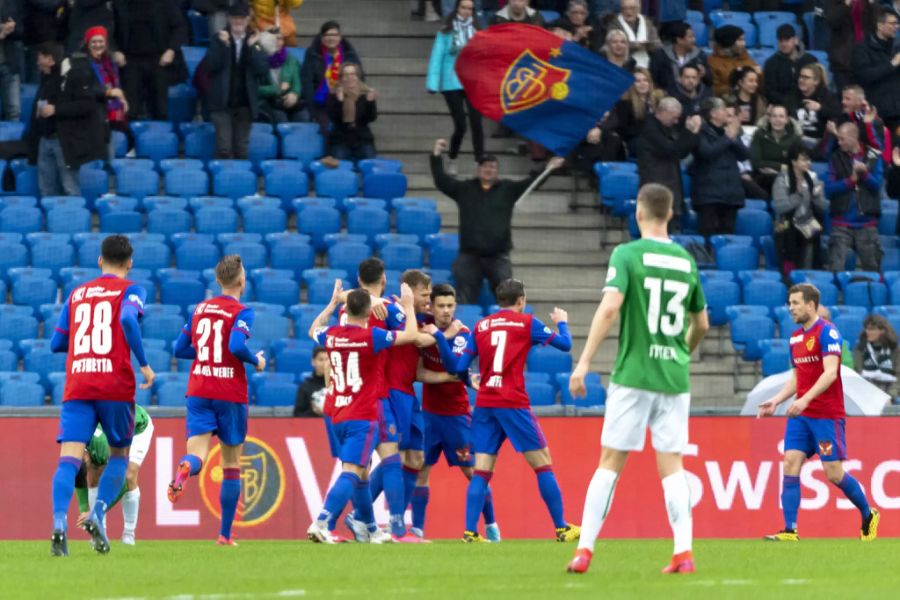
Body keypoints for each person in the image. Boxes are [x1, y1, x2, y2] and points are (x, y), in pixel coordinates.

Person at [566, 183, 708, 575]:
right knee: (673, 465)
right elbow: (702, 323)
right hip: (673, 377)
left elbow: (611, 306)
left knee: (610, 461)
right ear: (671, 213)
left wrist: (584, 362)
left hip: (633, 374)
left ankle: (584, 551)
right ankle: (683, 552)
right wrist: (682, 351)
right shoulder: (685, 260)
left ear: (639, 214)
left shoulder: (627, 253)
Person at [434, 278, 579, 543]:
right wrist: (562, 321)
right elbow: (565, 345)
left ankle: (469, 532)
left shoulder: (480, 326)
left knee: (482, 469)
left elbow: (457, 367)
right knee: (542, 463)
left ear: (499, 301)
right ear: (521, 301)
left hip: (486, 403)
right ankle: (561, 527)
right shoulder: (527, 322)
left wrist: (438, 339)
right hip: (512, 402)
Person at [48, 234, 154, 557]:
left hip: (78, 383)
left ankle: (57, 523)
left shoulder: (77, 294)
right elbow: (126, 319)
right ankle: (98, 513)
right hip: (115, 386)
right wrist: (145, 365)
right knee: (120, 456)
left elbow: (56, 343)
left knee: (69, 459)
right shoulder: (133, 289)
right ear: (130, 263)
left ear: (99, 261)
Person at [757, 284, 880, 542]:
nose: (790, 308)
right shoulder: (794, 338)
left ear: (811, 305)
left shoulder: (828, 332)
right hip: (801, 417)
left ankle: (868, 514)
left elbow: (830, 372)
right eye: (789, 303)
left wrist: (805, 399)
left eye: (795, 303)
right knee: (790, 462)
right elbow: (796, 377)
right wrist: (777, 400)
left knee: (833, 473)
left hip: (826, 415)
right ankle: (790, 530)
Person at [306, 282, 425, 544]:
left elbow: (312, 329)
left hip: (337, 412)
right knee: (352, 470)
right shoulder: (372, 337)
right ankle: (323, 520)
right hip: (362, 413)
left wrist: (331, 304)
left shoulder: (332, 334)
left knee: (361, 475)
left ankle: (370, 528)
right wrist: (407, 306)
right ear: (370, 313)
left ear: (346, 310)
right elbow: (411, 335)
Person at [169, 255, 267, 546]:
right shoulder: (243, 311)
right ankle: (224, 535)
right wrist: (255, 361)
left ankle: (185, 468)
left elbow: (178, 348)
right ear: (241, 280)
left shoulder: (200, 309)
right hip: (229, 392)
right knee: (231, 464)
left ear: (218, 280)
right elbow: (237, 345)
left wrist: (204, 355)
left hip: (199, 388)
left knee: (197, 454)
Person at [336, 259, 434, 543]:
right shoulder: (389, 307)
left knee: (414, 457)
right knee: (393, 456)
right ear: (404, 290)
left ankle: (395, 524)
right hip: (390, 390)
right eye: (424, 295)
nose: (428, 300)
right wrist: (444, 335)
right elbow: (415, 338)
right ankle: (392, 525)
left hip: (407, 391)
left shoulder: (381, 305)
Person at [412, 283, 500, 542]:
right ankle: (417, 529)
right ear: (432, 306)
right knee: (422, 470)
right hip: (429, 413)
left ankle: (492, 525)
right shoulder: (422, 329)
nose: (446, 311)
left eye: (450, 306)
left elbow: (456, 370)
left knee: (473, 471)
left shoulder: (462, 334)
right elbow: (420, 373)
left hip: (457, 415)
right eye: (441, 306)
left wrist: (451, 374)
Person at [430, 138, 565, 305]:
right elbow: (441, 181)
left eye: (492, 167)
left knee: (507, 298)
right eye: (485, 166)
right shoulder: (464, 189)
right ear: (478, 169)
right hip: (469, 256)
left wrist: (548, 168)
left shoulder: (508, 189)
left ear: (497, 171)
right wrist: (436, 155)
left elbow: (532, 183)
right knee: (464, 299)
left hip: (498, 257)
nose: (488, 170)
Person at [74, 404, 154, 546]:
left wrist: (95, 511)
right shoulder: (73, 440)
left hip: (137, 429)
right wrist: (84, 510)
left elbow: (120, 481)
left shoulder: (100, 445)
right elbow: (79, 476)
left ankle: (129, 534)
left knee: (129, 476)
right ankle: (99, 532)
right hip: (110, 426)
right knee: (93, 479)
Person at [426, 0, 485, 173]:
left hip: (473, 81)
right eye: (463, 7)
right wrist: (432, 83)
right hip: (451, 81)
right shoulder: (445, 31)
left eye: (470, 9)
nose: (466, 11)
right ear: (457, 8)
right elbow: (437, 57)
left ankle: (479, 162)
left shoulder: (478, 32)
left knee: (477, 123)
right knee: (461, 125)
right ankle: (453, 157)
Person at [206, 2, 269, 159]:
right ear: (229, 19)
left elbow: (262, 70)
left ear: (248, 20)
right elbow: (211, 66)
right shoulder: (218, 39)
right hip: (221, 102)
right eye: (235, 18)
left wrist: (253, 47)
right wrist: (225, 45)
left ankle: (239, 182)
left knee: (242, 149)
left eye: (242, 18)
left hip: (245, 103)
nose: (238, 22)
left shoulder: (254, 40)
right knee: (224, 149)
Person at [825, 122, 883, 272]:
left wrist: (865, 175)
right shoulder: (835, 158)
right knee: (835, 270)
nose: (839, 142)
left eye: (842, 139)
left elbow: (877, 186)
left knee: (873, 270)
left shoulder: (873, 156)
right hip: (841, 223)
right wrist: (850, 181)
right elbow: (829, 189)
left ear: (853, 138)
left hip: (867, 224)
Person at [117, 0, 189, 121]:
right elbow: (111, 29)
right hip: (130, 60)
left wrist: (171, 49)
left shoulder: (165, 3)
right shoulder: (119, 4)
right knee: (130, 109)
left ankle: (159, 135)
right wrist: (115, 50)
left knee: (160, 108)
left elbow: (180, 27)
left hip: (159, 59)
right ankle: (129, 135)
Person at [636, 97, 700, 228]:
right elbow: (669, 149)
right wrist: (688, 133)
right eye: (674, 117)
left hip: (672, 186)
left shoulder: (670, 128)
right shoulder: (650, 128)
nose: (676, 121)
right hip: (655, 187)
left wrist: (692, 134)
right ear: (663, 112)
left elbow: (680, 153)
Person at [692, 97, 748, 238]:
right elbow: (707, 152)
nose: (726, 113)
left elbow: (744, 155)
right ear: (713, 113)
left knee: (728, 236)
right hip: (708, 195)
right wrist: (727, 139)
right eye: (723, 109)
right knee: (707, 236)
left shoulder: (729, 131)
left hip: (731, 194)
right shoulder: (701, 132)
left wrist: (734, 138)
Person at [30, 42, 79, 196]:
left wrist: (56, 109)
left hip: (63, 140)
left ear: (50, 59)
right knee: (46, 189)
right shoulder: (45, 78)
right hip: (44, 139)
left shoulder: (70, 78)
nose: (37, 61)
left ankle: (74, 219)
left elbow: (83, 106)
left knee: (70, 187)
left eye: (40, 57)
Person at [772, 144, 828, 274]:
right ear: (793, 162)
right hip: (785, 224)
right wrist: (798, 195)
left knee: (813, 235)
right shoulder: (782, 179)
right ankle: (789, 277)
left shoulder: (812, 178)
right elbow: (780, 208)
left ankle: (807, 274)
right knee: (788, 233)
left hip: (806, 222)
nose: (808, 162)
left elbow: (824, 207)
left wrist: (817, 196)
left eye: (809, 159)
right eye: (803, 159)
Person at [301, 21, 362, 136]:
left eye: (334, 35)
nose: (331, 38)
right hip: (320, 103)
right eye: (327, 35)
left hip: (345, 100)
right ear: (322, 38)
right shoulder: (313, 53)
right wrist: (312, 107)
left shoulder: (349, 54)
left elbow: (359, 78)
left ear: (340, 37)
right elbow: (307, 81)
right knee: (326, 126)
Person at [83, 26, 131, 160]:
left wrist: (122, 100)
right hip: (93, 113)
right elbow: (86, 88)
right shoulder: (83, 62)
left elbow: (117, 86)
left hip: (110, 114)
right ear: (87, 43)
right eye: (94, 42)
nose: (98, 45)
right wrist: (110, 92)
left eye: (101, 41)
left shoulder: (110, 62)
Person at [852, 9, 900, 132]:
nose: (896, 27)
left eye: (897, 24)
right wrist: (892, 64)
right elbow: (864, 76)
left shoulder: (897, 46)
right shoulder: (863, 49)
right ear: (879, 25)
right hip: (877, 111)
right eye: (892, 23)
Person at [326, 63, 377, 161]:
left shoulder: (366, 93)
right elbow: (333, 118)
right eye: (346, 75)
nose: (350, 77)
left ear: (358, 76)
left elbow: (371, 118)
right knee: (340, 166)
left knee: (370, 163)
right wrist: (339, 102)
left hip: (362, 139)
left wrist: (370, 103)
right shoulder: (334, 93)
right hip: (341, 139)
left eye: (353, 74)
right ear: (341, 77)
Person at [789, 63, 839, 158]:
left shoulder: (827, 97)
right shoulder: (792, 96)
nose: (801, 80)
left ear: (816, 81)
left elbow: (838, 114)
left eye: (806, 77)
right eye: (800, 76)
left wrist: (820, 108)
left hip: (818, 142)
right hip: (795, 141)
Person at [749, 105, 802, 194]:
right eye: (774, 116)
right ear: (769, 119)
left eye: (781, 116)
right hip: (761, 178)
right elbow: (755, 162)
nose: (777, 120)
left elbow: (797, 166)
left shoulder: (795, 139)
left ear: (787, 120)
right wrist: (781, 167)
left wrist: (775, 170)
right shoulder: (759, 135)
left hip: (786, 180)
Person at [824, 0, 876, 91]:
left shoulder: (867, 3)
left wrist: (873, 4)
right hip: (843, 62)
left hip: (865, 59)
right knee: (845, 98)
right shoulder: (836, 2)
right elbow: (831, 21)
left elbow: (879, 24)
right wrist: (846, 4)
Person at [762, 24, 817, 109]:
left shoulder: (810, 60)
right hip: (781, 106)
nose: (783, 44)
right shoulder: (771, 63)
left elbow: (818, 84)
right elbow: (769, 91)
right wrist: (789, 103)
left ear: (796, 40)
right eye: (780, 41)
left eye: (787, 40)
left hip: (808, 104)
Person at [258, 30, 308, 124]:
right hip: (272, 102)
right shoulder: (259, 61)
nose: (278, 42)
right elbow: (255, 88)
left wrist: (295, 94)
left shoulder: (291, 59)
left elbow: (297, 81)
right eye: (274, 39)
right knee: (281, 121)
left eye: (280, 39)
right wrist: (276, 89)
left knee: (303, 119)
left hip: (292, 101)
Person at [648, 21, 711, 95]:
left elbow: (710, 82)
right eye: (690, 37)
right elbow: (653, 79)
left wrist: (704, 74)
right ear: (679, 40)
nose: (694, 40)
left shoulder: (699, 56)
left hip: (695, 96)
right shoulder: (660, 56)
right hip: (667, 96)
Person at [614, 67, 663, 155]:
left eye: (645, 80)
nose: (642, 84)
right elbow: (622, 129)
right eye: (638, 81)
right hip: (636, 141)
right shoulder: (625, 103)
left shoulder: (658, 100)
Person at [854, 315, 900, 394]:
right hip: (866, 389)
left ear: (882, 331)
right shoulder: (860, 348)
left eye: (872, 329)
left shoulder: (894, 349)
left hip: (889, 389)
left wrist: (891, 395)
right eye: (866, 329)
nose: (867, 332)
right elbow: (858, 372)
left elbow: (898, 375)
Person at [606, 0, 660, 68]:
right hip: (624, 63)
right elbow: (612, 43)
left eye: (632, 8)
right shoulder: (614, 24)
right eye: (624, 8)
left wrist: (647, 45)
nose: (628, 11)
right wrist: (636, 46)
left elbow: (657, 43)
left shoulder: (647, 22)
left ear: (639, 9)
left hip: (648, 61)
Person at [708, 24, 757, 98]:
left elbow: (759, 85)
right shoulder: (712, 62)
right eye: (740, 40)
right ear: (729, 42)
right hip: (727, 101)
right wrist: (736, 88)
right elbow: (714, 89)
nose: (744, 44)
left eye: (744, 40)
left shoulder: (746, 58)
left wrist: (760, 75)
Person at [293, 346, 328, 417]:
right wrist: (313, 412)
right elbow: (297, 415)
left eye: (327, 360)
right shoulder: (305, 387)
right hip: (311, 426)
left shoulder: (339, 386)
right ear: (313, 362)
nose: (324, 363)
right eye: (321, 360)